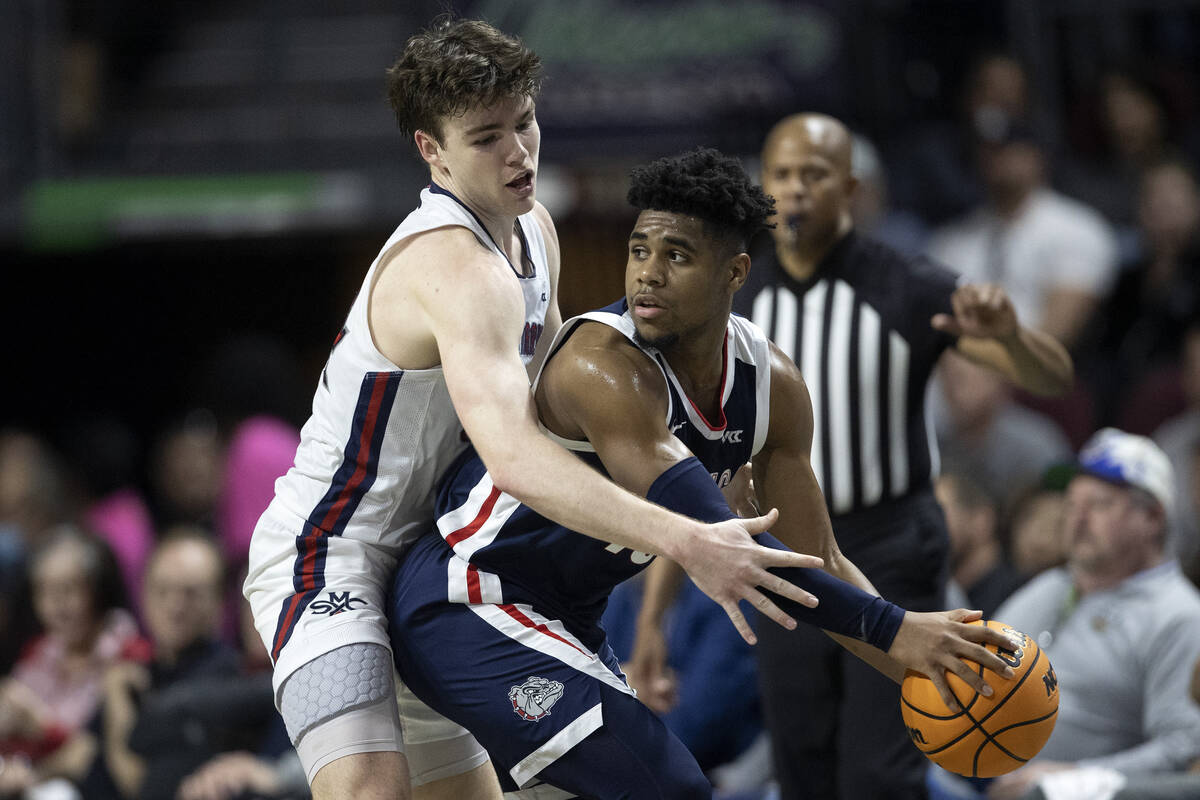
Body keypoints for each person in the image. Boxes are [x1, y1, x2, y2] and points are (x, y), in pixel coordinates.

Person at [242, 17, 824, 800]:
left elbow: (567, 416)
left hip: (429, 557)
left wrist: (708, 465)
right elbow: (516, 460)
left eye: (525, 123)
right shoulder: (452, 264)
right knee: (368, 790)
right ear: (432, 151)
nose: (519, 152)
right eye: (487, 137)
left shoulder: (536, 233)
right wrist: (687, 536)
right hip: (328, 555)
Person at [386, 147, 1035, 799]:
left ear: (735, 272)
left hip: (567, 619)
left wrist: (916, 663)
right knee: (673, 789)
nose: (649, 275)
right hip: (470, 598)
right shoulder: (602, 365)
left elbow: (819, 560)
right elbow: (718, 536)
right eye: (640, 250)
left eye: (678, 256)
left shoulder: (772, 385)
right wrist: (896, 629)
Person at [663, 113, 1073, 800]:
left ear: (850, 188)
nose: (797, 190)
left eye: (815, 175)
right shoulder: (741, 296)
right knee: (803, 760)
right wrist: (653, 621)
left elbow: (1051, 378)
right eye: (784, 175)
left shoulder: (907, 285)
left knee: (881, 769)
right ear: (764, 187)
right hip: (789, 556)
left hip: (891, 547)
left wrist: (1014, 339)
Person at [935, 428, 1200, 800]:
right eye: (1072, 505)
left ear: (1152, 518)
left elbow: (1185, 748)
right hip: (978, 774)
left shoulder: (1179, 616)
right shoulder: (1050, 586)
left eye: (1099, 505)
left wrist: (1073, 779)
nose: (1077, 519)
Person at [926, 118, 1119, 350]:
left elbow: (1058, 332)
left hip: (1039, 371)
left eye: (1009, 149)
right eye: (988, 150)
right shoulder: (950, 241)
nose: (997, 161)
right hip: (962, 370)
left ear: (1037, 157)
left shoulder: (1080, 229)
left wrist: (996, 371)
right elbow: (936, 325)